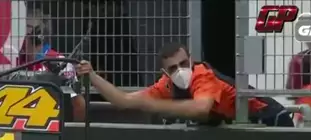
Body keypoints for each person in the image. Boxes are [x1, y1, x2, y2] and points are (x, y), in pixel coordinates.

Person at [76, 42, 294, 127]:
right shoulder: (165, 85)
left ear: (191, 60)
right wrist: (93, 76)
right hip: (237, 124)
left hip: (270, 119)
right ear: (165, 73)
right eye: (173, 68)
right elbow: (123, 101)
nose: (180, 70)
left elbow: (201, 108)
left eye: (183, 63)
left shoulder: (203, 75)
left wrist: (154, 106)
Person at [19, 8, 86, 122]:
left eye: (27, 33)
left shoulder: (59, 62)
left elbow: (79, 105)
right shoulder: (13, 59)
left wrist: (74, 130)